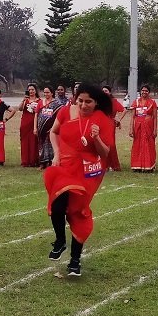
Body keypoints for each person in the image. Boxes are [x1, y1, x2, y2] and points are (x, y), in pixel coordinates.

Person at [44, 83, 113, 277]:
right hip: (65, 167)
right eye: (80, 100)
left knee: (77, 214)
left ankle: (75, 261)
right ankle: (60, 241)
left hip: (87, 172)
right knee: (57, 206)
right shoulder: (66, 112)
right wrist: (56, 154)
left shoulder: (102, 120)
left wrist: (97, 138)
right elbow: (54, 131)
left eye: (88, 102)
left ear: (96, 102)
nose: (83, 105)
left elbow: (105, 152)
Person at [129, 84, 158, 172]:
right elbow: (132, 116)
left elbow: (155, 117)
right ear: (140, 91)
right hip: (138, 127)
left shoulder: (152, 102)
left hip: (148, 127)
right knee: (137, 145)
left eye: (146, 91)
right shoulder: (136, 102)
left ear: (149, 92)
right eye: (143, 90)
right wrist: (131, 129)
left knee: (148, 145)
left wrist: (155, 130)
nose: (144, 92)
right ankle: (137, 166)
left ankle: (148, 166)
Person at [34, 86, 63, 168]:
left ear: (52, 93)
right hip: (41, 128)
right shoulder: (40, 102)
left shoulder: (57, 104)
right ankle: (42, 162)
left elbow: (59, 117)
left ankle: (50, 162)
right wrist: (35, 128)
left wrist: (54, 127)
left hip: (51, 128)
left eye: (47, 92)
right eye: (44, 92)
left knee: (50, 144)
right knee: (41, 144)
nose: (46, 94)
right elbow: (36, 115)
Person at [102, 85, 127, 171]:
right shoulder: (99, 102)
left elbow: (124, 110)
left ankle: (113, 165)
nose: (104, 92)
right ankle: (104, 165)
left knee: (111, 144)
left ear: (109, 92)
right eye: (103, 91)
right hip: (100, 124)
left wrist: (119, 120)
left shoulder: (114, 101)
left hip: (110, 124)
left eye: (106, 91)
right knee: (102, 144)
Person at [18, 83, 41, 167]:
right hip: (25, 123)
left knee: (34, 142)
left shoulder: (39, 101)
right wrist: (23, 100)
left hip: (34, 123)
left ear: (35, 91)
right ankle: (25, 161)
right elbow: (20, 109)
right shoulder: (26, 100)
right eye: (29, 90)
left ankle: (33, 160)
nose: (31, 91)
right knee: (25, 142)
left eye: (32, 90)